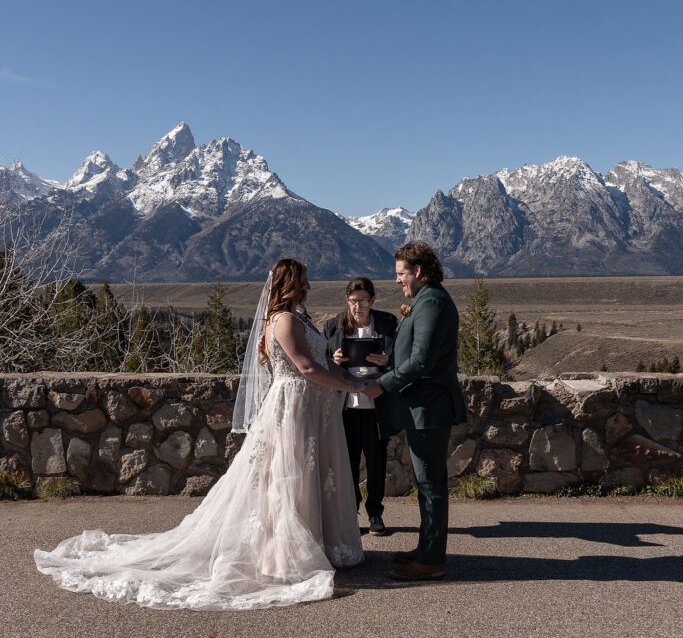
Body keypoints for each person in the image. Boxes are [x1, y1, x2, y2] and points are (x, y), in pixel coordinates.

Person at [35, 259, 369, 611]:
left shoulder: (299, 318)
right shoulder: (284, 320)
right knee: (288, 479)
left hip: (313, 409)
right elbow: (305, 366)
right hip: (293, 408)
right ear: (290, 284)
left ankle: (319, 545)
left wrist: (351, 378)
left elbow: (323, 362)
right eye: (303, 280)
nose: (308, 285)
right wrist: (349, 386)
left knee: (309, 476)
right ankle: (283, 556)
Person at [364, 242, 467, 581]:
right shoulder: (425, 299)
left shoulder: (432, 302)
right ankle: (426, 548)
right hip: (423, 406)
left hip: (429, 407)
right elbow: (417, 353)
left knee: (431, 483)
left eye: (401, 273)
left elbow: (422, 361)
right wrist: (390, 361)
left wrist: (383, 384)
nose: (397, 280)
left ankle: (432, 559)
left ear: (418, 271)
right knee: (425, 483)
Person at [323, 277, 397, 537]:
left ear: (372, 301)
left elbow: (400, 360)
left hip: (377, 405)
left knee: (377, 462)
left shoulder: (388, 324)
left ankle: (375, 512)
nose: (358, 307)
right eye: (353, 301)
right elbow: (322, 363)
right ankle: (351, 512)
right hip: (346, 407)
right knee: (349, 463)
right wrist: (333, 360)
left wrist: (387, 361)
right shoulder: (333, 326)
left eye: (363, 301)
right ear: (347, 301)